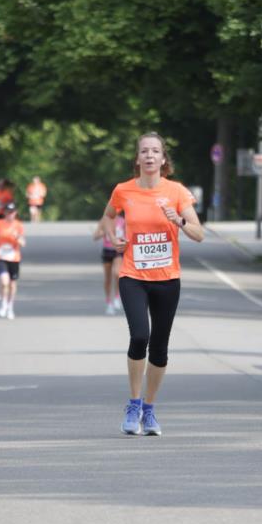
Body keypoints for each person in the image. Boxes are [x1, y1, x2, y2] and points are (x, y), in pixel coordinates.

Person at [102, 131, 204, 436]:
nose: (149, 156)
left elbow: (199, 234)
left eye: (154, 151)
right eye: (144, 151)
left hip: (167, 279)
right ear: (137, 159)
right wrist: (112, 236)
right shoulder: (124, 190)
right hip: (133, 274)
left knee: (160, 347)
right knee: (139, 336)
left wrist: (180, 221)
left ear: (163, 159)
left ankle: (149, 408)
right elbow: (108, 217)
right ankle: (133, 404)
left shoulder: (177, 193)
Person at [0, 202, 25, 320]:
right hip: (0, 256)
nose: (10, 214)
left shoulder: (19, 225)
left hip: (14, 257)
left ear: (15, 213)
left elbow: (23, 243)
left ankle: (11, 306)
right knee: (4, 281)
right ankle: (3, 303)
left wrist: (17, 237)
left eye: (12, 212)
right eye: (8, 212)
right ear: (5, 213)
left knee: (12, 284)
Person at [93, 213, 125, 315]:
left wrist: (123, 237)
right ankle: (109, 302)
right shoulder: (104, 220)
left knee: (117, 273)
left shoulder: (122, 220)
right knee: (108, 278)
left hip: (118, 251)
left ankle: (116, 296)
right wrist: (103, 233)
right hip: (107, 251)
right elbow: (95, 236)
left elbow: (128, 234)